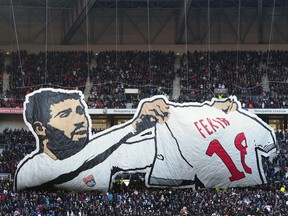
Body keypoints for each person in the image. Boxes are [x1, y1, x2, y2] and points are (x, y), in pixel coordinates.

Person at [14, 88, 277, 192]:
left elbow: (163, 144)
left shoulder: (108, 151)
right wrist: (133, 125)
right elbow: (67, 170)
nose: (79, 119)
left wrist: (211, 115)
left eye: (80, 111)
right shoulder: (32, 170)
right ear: (41, 128)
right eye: (65, 114)